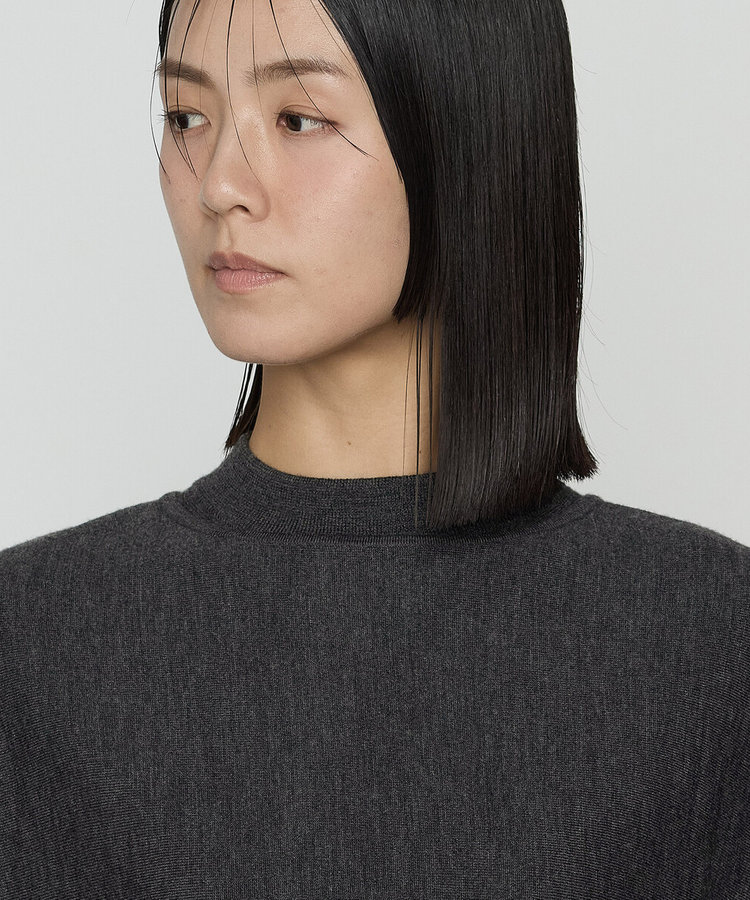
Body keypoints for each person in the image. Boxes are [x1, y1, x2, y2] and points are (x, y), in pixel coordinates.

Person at [1, 0, 748, 896]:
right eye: (186, 116)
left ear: (470, 137)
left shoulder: (710, 640)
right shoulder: (29, 642)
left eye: (298, 119)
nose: (220, 185)